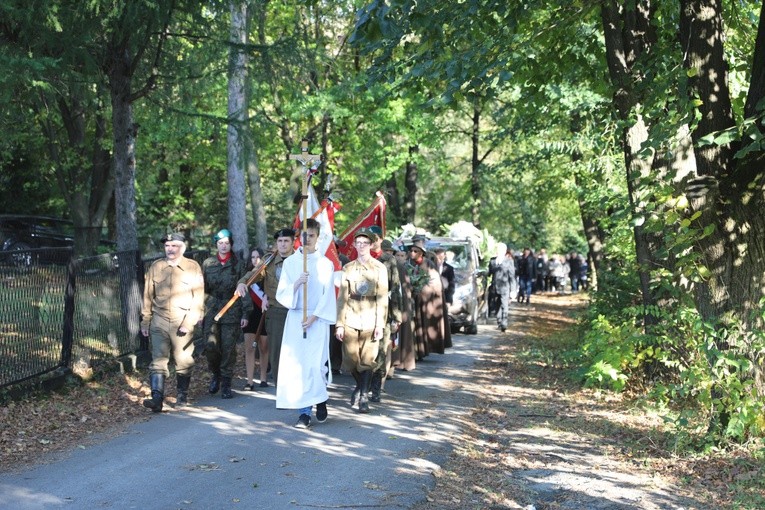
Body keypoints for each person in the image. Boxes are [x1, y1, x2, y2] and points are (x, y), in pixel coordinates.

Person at [275, 218, 337, 429]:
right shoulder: (291, 263)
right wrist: (296, 283)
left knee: (315, 365)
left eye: (311, 235)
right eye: (304, 235)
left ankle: (320, 398)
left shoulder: (325, 264)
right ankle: (304, 413)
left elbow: (328, 294)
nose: (307, 239)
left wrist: (315, 316)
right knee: (298, 366)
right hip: (296, 318)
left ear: (317, 237)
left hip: (316, 320)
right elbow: (281, 293)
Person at [141, 232, 204, 412]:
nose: (170, 249)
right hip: (159, 320)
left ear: (182, 248)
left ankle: (182, 395)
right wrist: (145, 321)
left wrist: (189, 321)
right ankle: (157, 399)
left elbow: (198, 297)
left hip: (182, 320)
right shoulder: (156, 266)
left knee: (183, 360)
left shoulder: (192, 267)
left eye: (174, 245)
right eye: (167, 246)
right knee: (158, 361)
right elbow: (147, 296)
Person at [336, 228, 388, 414]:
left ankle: (364, 396)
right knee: (350, 360)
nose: (361, 246)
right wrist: (339, 323)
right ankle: (359, 386)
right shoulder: (348, 268)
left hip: (370, 317)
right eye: (358, 243)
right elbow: (342, 297)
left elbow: (382, 298)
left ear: (371, 245)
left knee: (367, 360)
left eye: (365, 243)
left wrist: (380, 324)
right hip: (350, 316)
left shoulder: (379, 268)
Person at [236, 228, 295, 387]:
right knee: (276, 352)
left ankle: (297, 385)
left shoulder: (300, 260)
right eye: (280, 241)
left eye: (286, 241)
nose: (282, 244)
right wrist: (242, 282)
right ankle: (281, 387)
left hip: (296, 311)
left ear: (292, 242)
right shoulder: (269, 260)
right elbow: (253, 274)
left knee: (295, 351)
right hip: (276, 310)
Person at [202, 229, 252, 399]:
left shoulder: (238, 264)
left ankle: (226, 383)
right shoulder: (208, 264)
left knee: (228, 348)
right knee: (210, 346)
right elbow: (203, 289)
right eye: (220, 243)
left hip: (232, 308)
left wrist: (246, 313)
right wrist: (200, 309)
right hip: (212, 309)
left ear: (231, 244)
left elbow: (244, 287)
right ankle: (215, 373)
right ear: (216, 245)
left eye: (226, 243)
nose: (223, 246)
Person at [369, 237, 403, 403]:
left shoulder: (388, 260)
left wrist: (396, 316)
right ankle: (363, 385)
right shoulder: (360, 259)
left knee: (381, 351)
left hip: (383, 311)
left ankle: (376, 388)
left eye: (374, 240)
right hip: (362, 311)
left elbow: (395, 288)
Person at [408, 236, 448, 357]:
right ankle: (414, 352)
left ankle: (422, 351)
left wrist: (421, 290)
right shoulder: (408, 264)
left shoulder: (429, 264)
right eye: (411, 250)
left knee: (423, 325)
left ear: (421, 253)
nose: (412, 253)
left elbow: (435, 283)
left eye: (416, 251)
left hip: (424, 301)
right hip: (412, 300)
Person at [242, 247, 269, 390]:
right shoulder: (247, 276)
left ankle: (263, 377)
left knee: (264, 347)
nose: (255, 260)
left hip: (265, 314)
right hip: (250, 315)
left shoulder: (268, 275)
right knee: (249, 348)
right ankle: (250, 381)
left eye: (258, 257)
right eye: (252, 257)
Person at [491, 244, 516, 332]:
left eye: (501, 250)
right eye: (498, 249)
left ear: (505, 251)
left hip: (505, 287)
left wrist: (513, 290)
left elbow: (512, 276)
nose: (499, 251)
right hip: (495, 287)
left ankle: (504, 323)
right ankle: (499, 321)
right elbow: (489, 273)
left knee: (504, 305)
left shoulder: (509, 261)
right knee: (497, 305)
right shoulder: (493, 261)